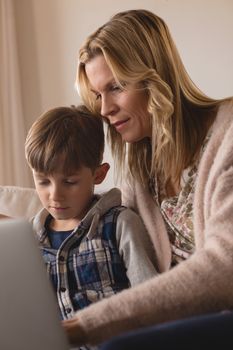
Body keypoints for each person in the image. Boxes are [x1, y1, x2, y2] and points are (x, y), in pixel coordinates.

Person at [61, 9, 233, 349]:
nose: (104, 109)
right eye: (98, 94)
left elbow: (224, 267)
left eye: (117, 87)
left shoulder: (227, 136)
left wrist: (86, 325)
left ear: (156, 78)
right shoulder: (141, 177)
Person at [24, 104, 157, 347]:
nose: (55, 195)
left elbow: (150, 297)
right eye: (43, 181)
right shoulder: (28, 240)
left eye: (70, 181)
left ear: (98, 174)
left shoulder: (120, 224)